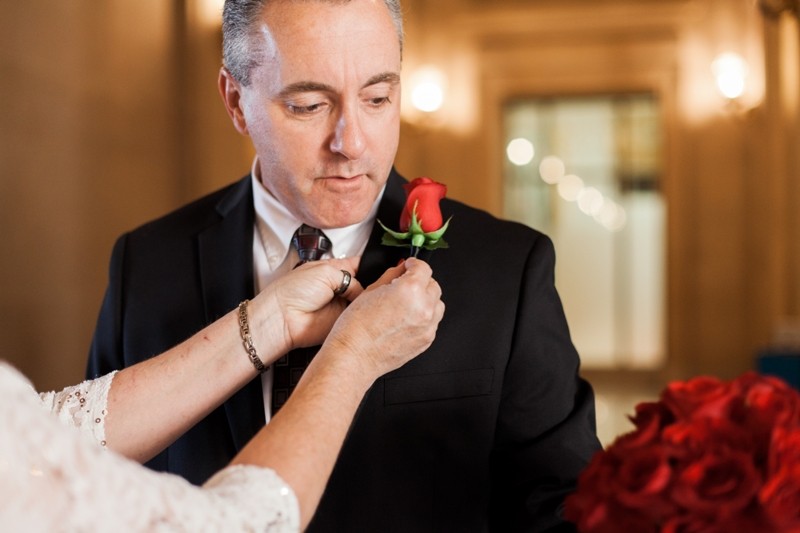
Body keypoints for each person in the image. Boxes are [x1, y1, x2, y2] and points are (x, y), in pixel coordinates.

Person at [87, 0, 602, 530]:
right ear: (236, 101)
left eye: (378, 98)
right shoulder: (144, 265)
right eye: (309, 105)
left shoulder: (509, 268)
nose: (352, 144)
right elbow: (92, 492)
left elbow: (564, 508)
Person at [3, 257, 443, 531]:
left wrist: (274, 321)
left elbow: (54, 430)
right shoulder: (144, 256)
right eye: (306, 105)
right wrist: (353, 351)